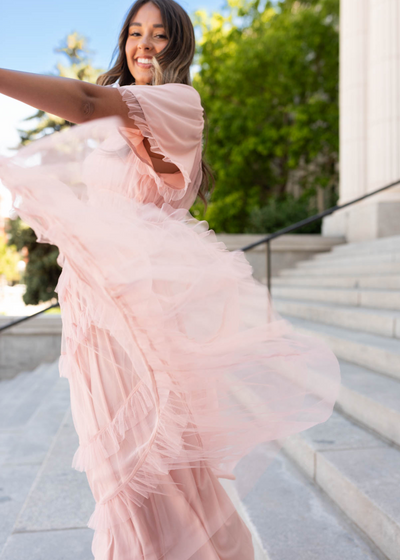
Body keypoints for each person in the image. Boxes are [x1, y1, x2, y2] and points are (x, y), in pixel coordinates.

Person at [0, 0, 341, 558]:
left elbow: (85, 101)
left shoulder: (179, 103)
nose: (144, 44)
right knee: (117, 470)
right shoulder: (117, 119)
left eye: (159, 34)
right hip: (94, 309)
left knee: (152, 468)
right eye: (134, 32)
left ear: (178, 46)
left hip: (144, 312)